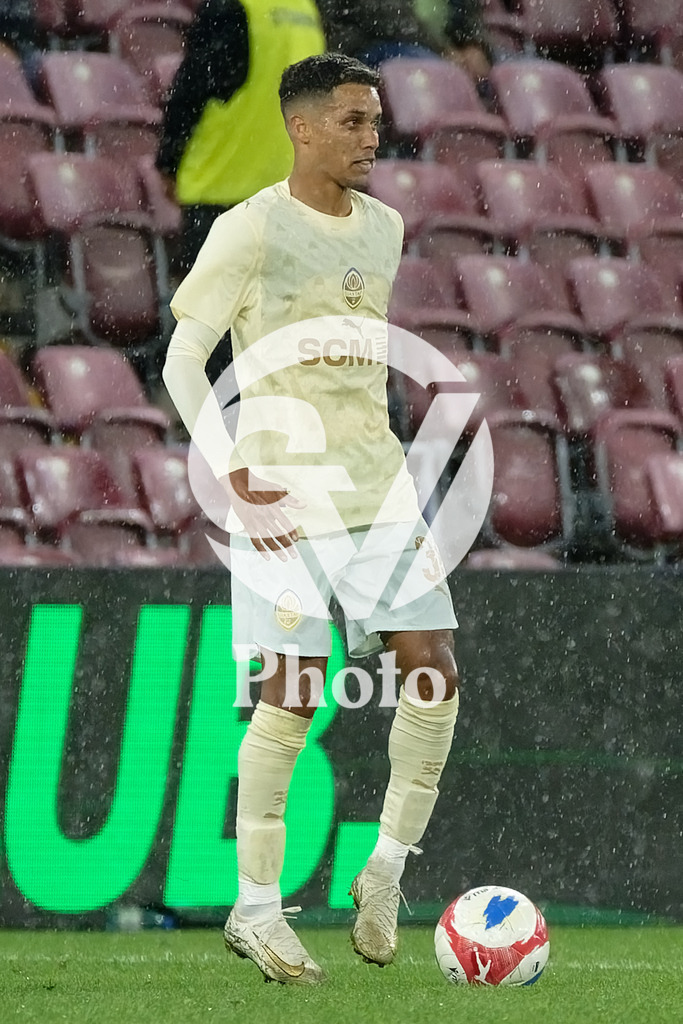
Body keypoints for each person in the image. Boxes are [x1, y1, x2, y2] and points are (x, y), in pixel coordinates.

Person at [162, 52, 460, 985]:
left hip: (377, 492)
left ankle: (383, 870)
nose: (370, 137)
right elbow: (182, 362)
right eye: (350, 121)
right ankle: (255, 909)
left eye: (374, 121)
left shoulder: (386, 228)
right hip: (283, 497)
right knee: (291, 700)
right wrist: (232, 468)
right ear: (299, 127)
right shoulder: (249, 231)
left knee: (433, 676)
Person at [155, 0, 325, 273]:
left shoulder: (232, 7)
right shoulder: (305, 10)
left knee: (212, 310)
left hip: (220, 186)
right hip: (286, 193)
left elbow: (192, 90)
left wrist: (168, 161)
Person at [319, 0, 490, 81]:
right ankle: (411, 147)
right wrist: (443, 51)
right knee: (440, 76)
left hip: (426, 45)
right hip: (367, 45)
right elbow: (385, 15)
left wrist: (472, 43)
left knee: (500, 72)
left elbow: (468, 9)